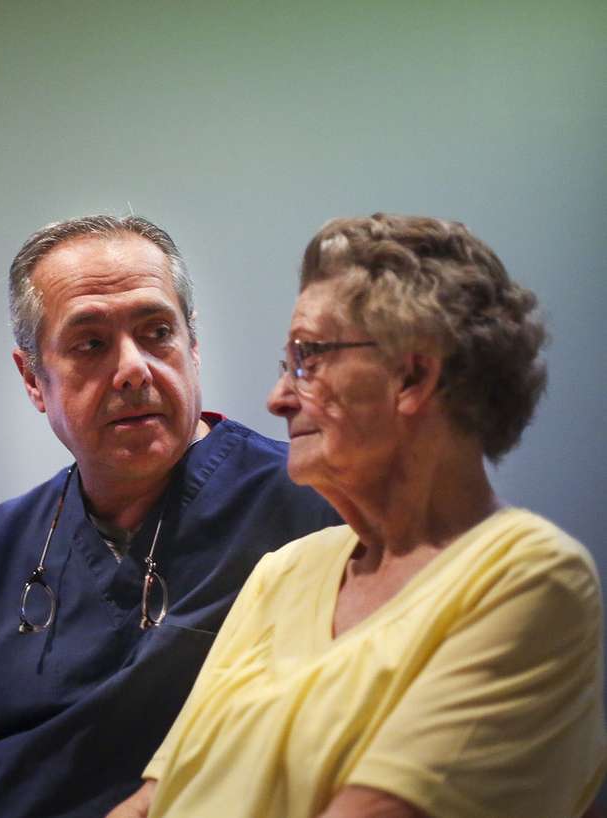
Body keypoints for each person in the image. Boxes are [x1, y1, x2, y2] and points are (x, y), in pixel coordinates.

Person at [111, 213, 607, 818]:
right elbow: (153, 800)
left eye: (308, 357)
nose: (278, 397)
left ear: (413, 376)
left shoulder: (528, 576)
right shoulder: (284, 571)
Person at [0, 215, 339, 818]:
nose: (134, 368)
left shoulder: (311, 506)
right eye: (91, 344)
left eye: (157, 331)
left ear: (193, 345)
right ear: (34, 379)